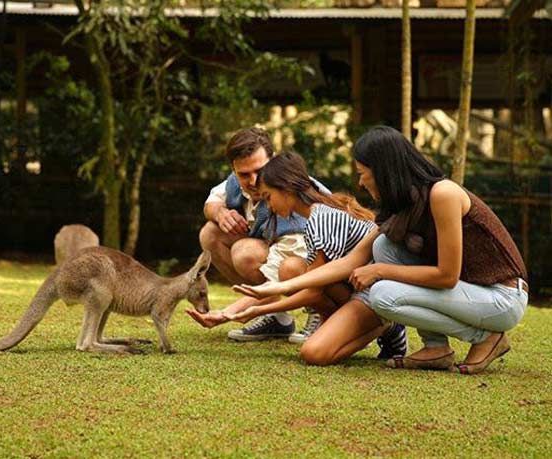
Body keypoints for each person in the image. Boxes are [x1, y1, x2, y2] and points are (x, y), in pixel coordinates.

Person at [236, 126, 528, 374]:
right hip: (470, 292)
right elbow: (350, 262)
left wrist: (379, 271)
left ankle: (485, 336)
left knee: (382, 293)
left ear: (385, 171)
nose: (361, 183)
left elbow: (447, 276)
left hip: (501, 297)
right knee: (384, 246)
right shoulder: (401, 207)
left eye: (364, 173)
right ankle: (435, 348)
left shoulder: (443, 194)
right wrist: (277, 287)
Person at [217, 151, 407, 362]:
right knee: (292, 269)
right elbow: (317, 284)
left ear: (286, 189)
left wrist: (256, 309)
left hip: (376, 291)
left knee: (313, 353)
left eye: (269, 197)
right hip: (354, 285)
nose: (269, 207)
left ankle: (385, 326)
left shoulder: (321, 219)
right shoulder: (314, 219)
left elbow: (312, 294)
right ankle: (353, 325)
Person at [196, 127, 331, 343]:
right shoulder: (244, 183)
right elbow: (212, 200)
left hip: (327, 271)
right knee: (211, 232)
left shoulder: (293, 199)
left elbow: (276, 278)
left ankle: (322, 312)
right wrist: (220, 213)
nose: (254, 181)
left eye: (260, 171)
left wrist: (229, 313)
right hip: (287, 255)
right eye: (244, 174)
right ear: (234, 170)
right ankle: (276, 318)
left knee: (282, 266)